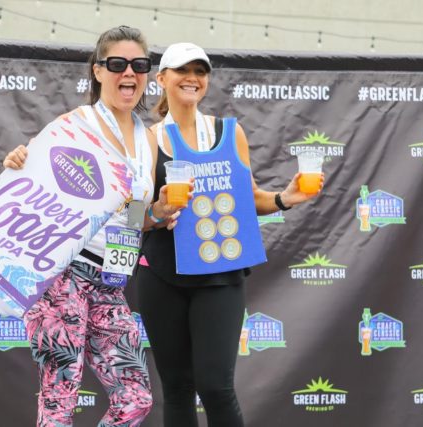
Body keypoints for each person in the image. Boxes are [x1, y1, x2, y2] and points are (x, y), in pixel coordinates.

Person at [135, 42, 324, 427]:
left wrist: (286, 198)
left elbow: (250, 198)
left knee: (216, 386)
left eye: (200, 71)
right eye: (182, 70)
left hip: (220, 273)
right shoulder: (147, 140)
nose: (192, 78)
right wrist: (157, 212)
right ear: (161, 79)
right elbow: (129, 213)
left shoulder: (228, 132)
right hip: (161, 272)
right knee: (177, 388)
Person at [2, 26, 180, 427]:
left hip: (110, 279)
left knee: (134, 398)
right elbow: (28, 180)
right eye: (117, 64)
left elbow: (134, 218)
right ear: (98, 71)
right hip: (61, 272)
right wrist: (16, 161)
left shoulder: (147, 138)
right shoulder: (76, 124)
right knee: (59, 398)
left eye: (139, 65)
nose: (129, 73)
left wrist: (158, 212)